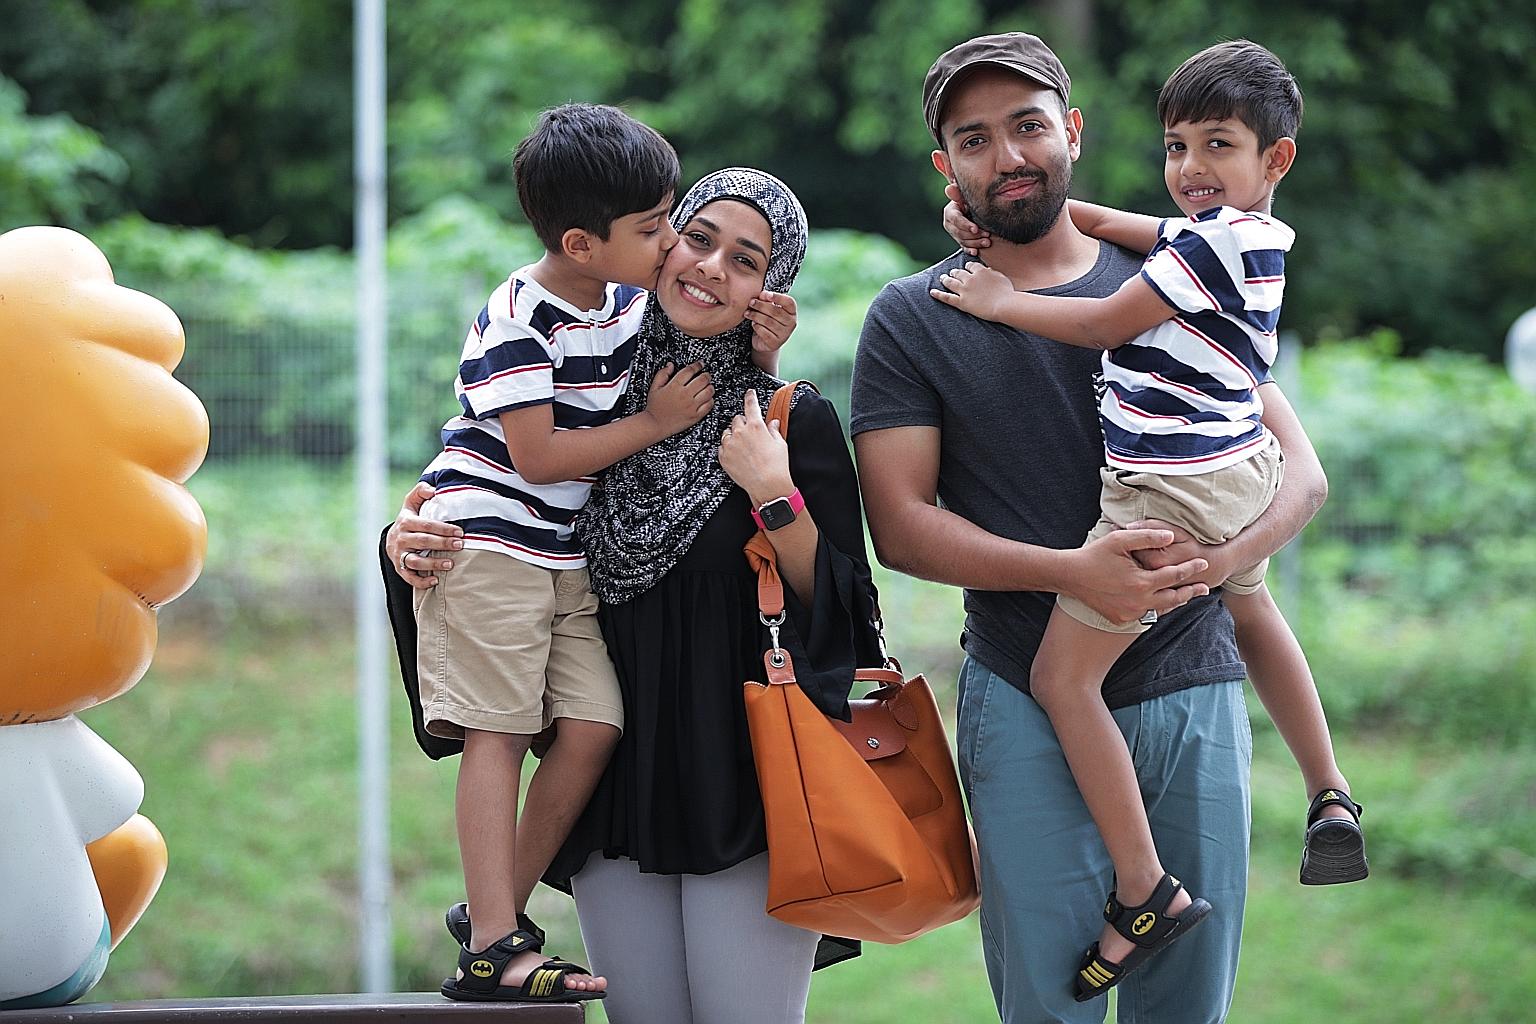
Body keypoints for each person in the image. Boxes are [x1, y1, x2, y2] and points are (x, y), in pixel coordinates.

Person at [850, 32, 1327, 1022]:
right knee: (1046, 1003)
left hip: (1191, 681)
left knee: (1186, 1005)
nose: (1007, 155)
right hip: (1025, 687)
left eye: (1027, 127)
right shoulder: (914, 314)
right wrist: (1075, 570)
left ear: (1069, 131)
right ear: (948, 167)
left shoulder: (1179, 268)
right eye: (973, 140)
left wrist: (1225, 560)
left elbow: (1299, 470)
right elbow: (899, 527)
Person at [387, 167, 882, 1024]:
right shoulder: (584, 394)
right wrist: (406, 540)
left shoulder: (785, 419)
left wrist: (775, 493)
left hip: (747, 788)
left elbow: (843, 604)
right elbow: (491, 502)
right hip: (614, 785)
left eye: (747, 259)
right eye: (697, 238)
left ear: (772, 291)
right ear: (657, 244)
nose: (710, 269)